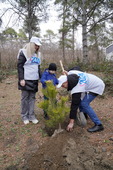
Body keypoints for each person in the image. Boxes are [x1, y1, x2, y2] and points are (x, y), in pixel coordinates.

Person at [17, 37, 42, 125]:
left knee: (32, 98)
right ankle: (24, 116)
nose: (37, 47)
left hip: (34, 80)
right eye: (36, 45)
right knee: (25, 98)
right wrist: (21, 78)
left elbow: (38, 67)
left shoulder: (38, 55)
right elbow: (20, 66)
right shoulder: (23, 52)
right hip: (26, 80)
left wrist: (41, 78)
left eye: (38, 46)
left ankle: (31, 115)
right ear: (31, 44)